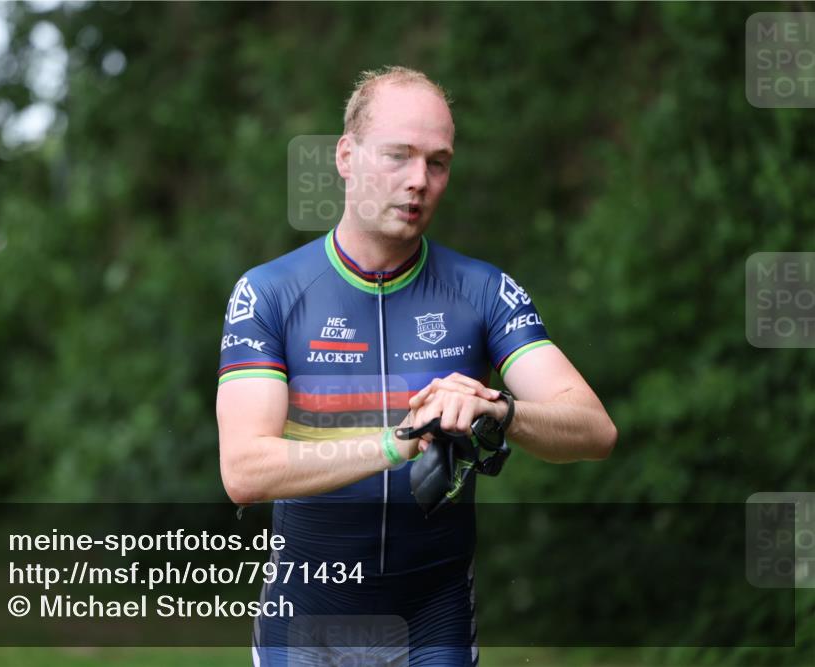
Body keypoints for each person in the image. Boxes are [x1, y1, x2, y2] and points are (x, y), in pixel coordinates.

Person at [216, 66, 617, 666]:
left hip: (434, 614)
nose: (419, 181)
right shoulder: (270, 292)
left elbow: (594, 430)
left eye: (438, 162)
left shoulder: (483, 291)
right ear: (346, 156)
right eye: (398, 156)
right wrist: (394, 443)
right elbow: (245, 471)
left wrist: (500, 411)